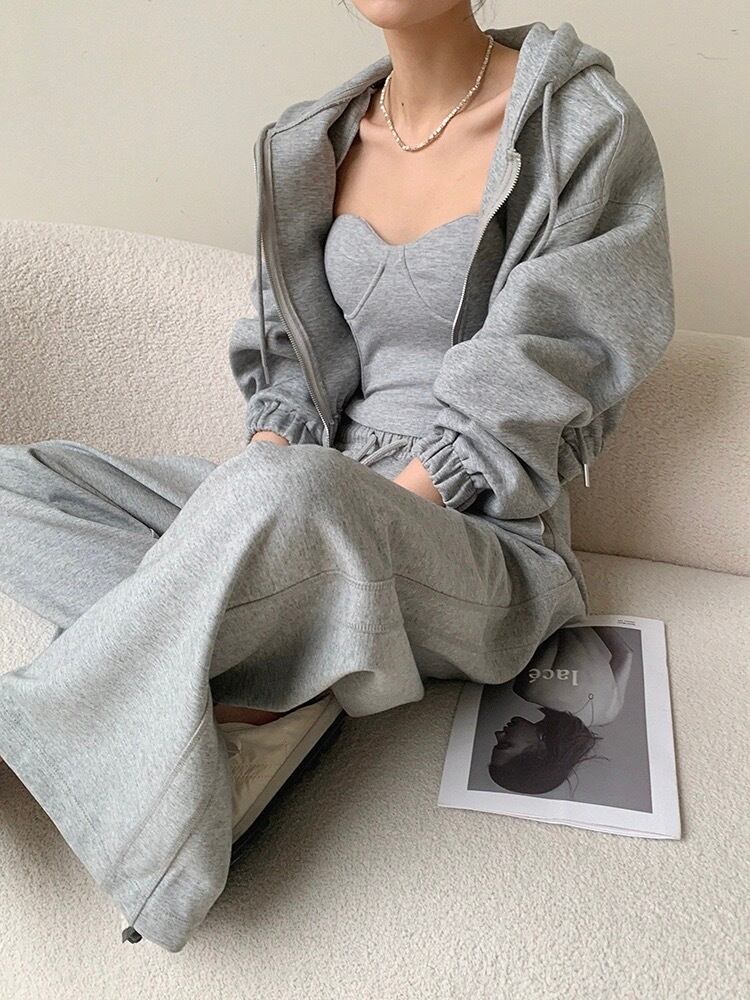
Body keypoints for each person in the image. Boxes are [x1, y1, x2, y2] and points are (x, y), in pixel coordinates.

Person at [0, 3, 675, 952]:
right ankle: (281, 678)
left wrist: (320, 526)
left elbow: (557, 358)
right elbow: (289, 374)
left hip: (478, 530)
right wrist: (271, 511)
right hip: (311, 492)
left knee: (287, 493)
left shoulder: (581, 126)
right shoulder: (310, 143)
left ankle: (54, 721)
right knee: (22, 487)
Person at [488, 626, 635, 794]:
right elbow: (553, 626)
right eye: (505, 744)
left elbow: (626, 654)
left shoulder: (609, 715)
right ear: (539, 751)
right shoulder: (530, 688)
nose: (498, 734)